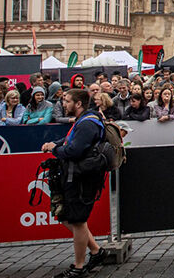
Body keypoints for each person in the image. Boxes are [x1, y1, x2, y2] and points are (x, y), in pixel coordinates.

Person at [39, 89, 109, 278]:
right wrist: (55, 144)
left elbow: (74, 151)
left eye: (67, 101)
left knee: (78, 221)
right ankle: (96, 251)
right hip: (76, 175)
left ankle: (78, 267)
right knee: (67, 217)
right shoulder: (84, 120)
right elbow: (70, 140)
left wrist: (56, 149)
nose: (63, 104)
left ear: (78, 104)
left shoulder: (87, 123)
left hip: (82, 178)